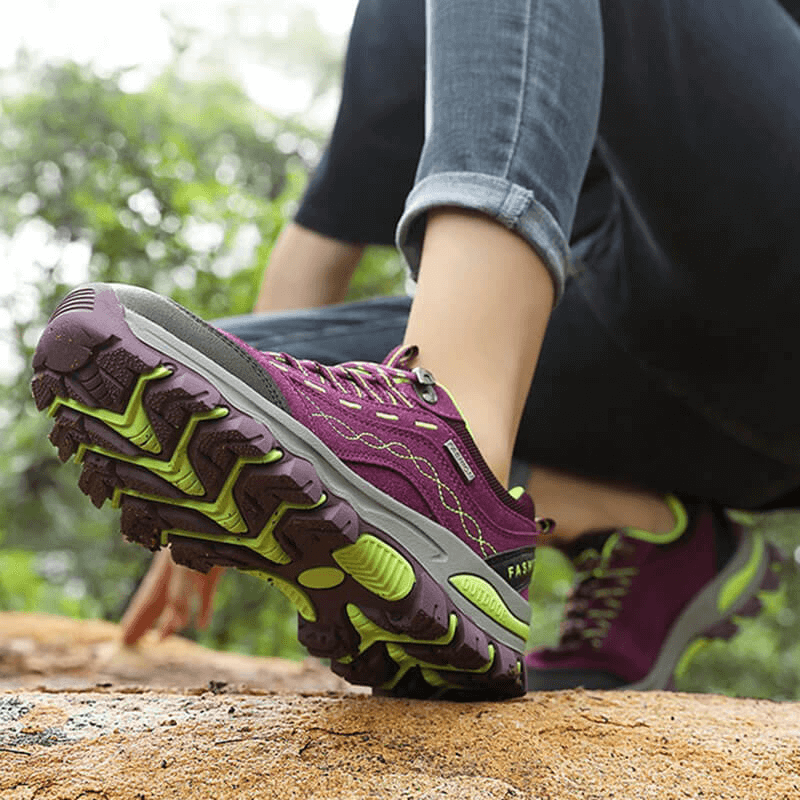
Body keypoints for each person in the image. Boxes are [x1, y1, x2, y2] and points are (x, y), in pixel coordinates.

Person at [32, 0, 798, 698]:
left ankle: (448, 452)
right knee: (190, 358)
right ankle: (648, 537)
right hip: (627, 346)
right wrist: (221, 458)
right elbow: (321, 237)